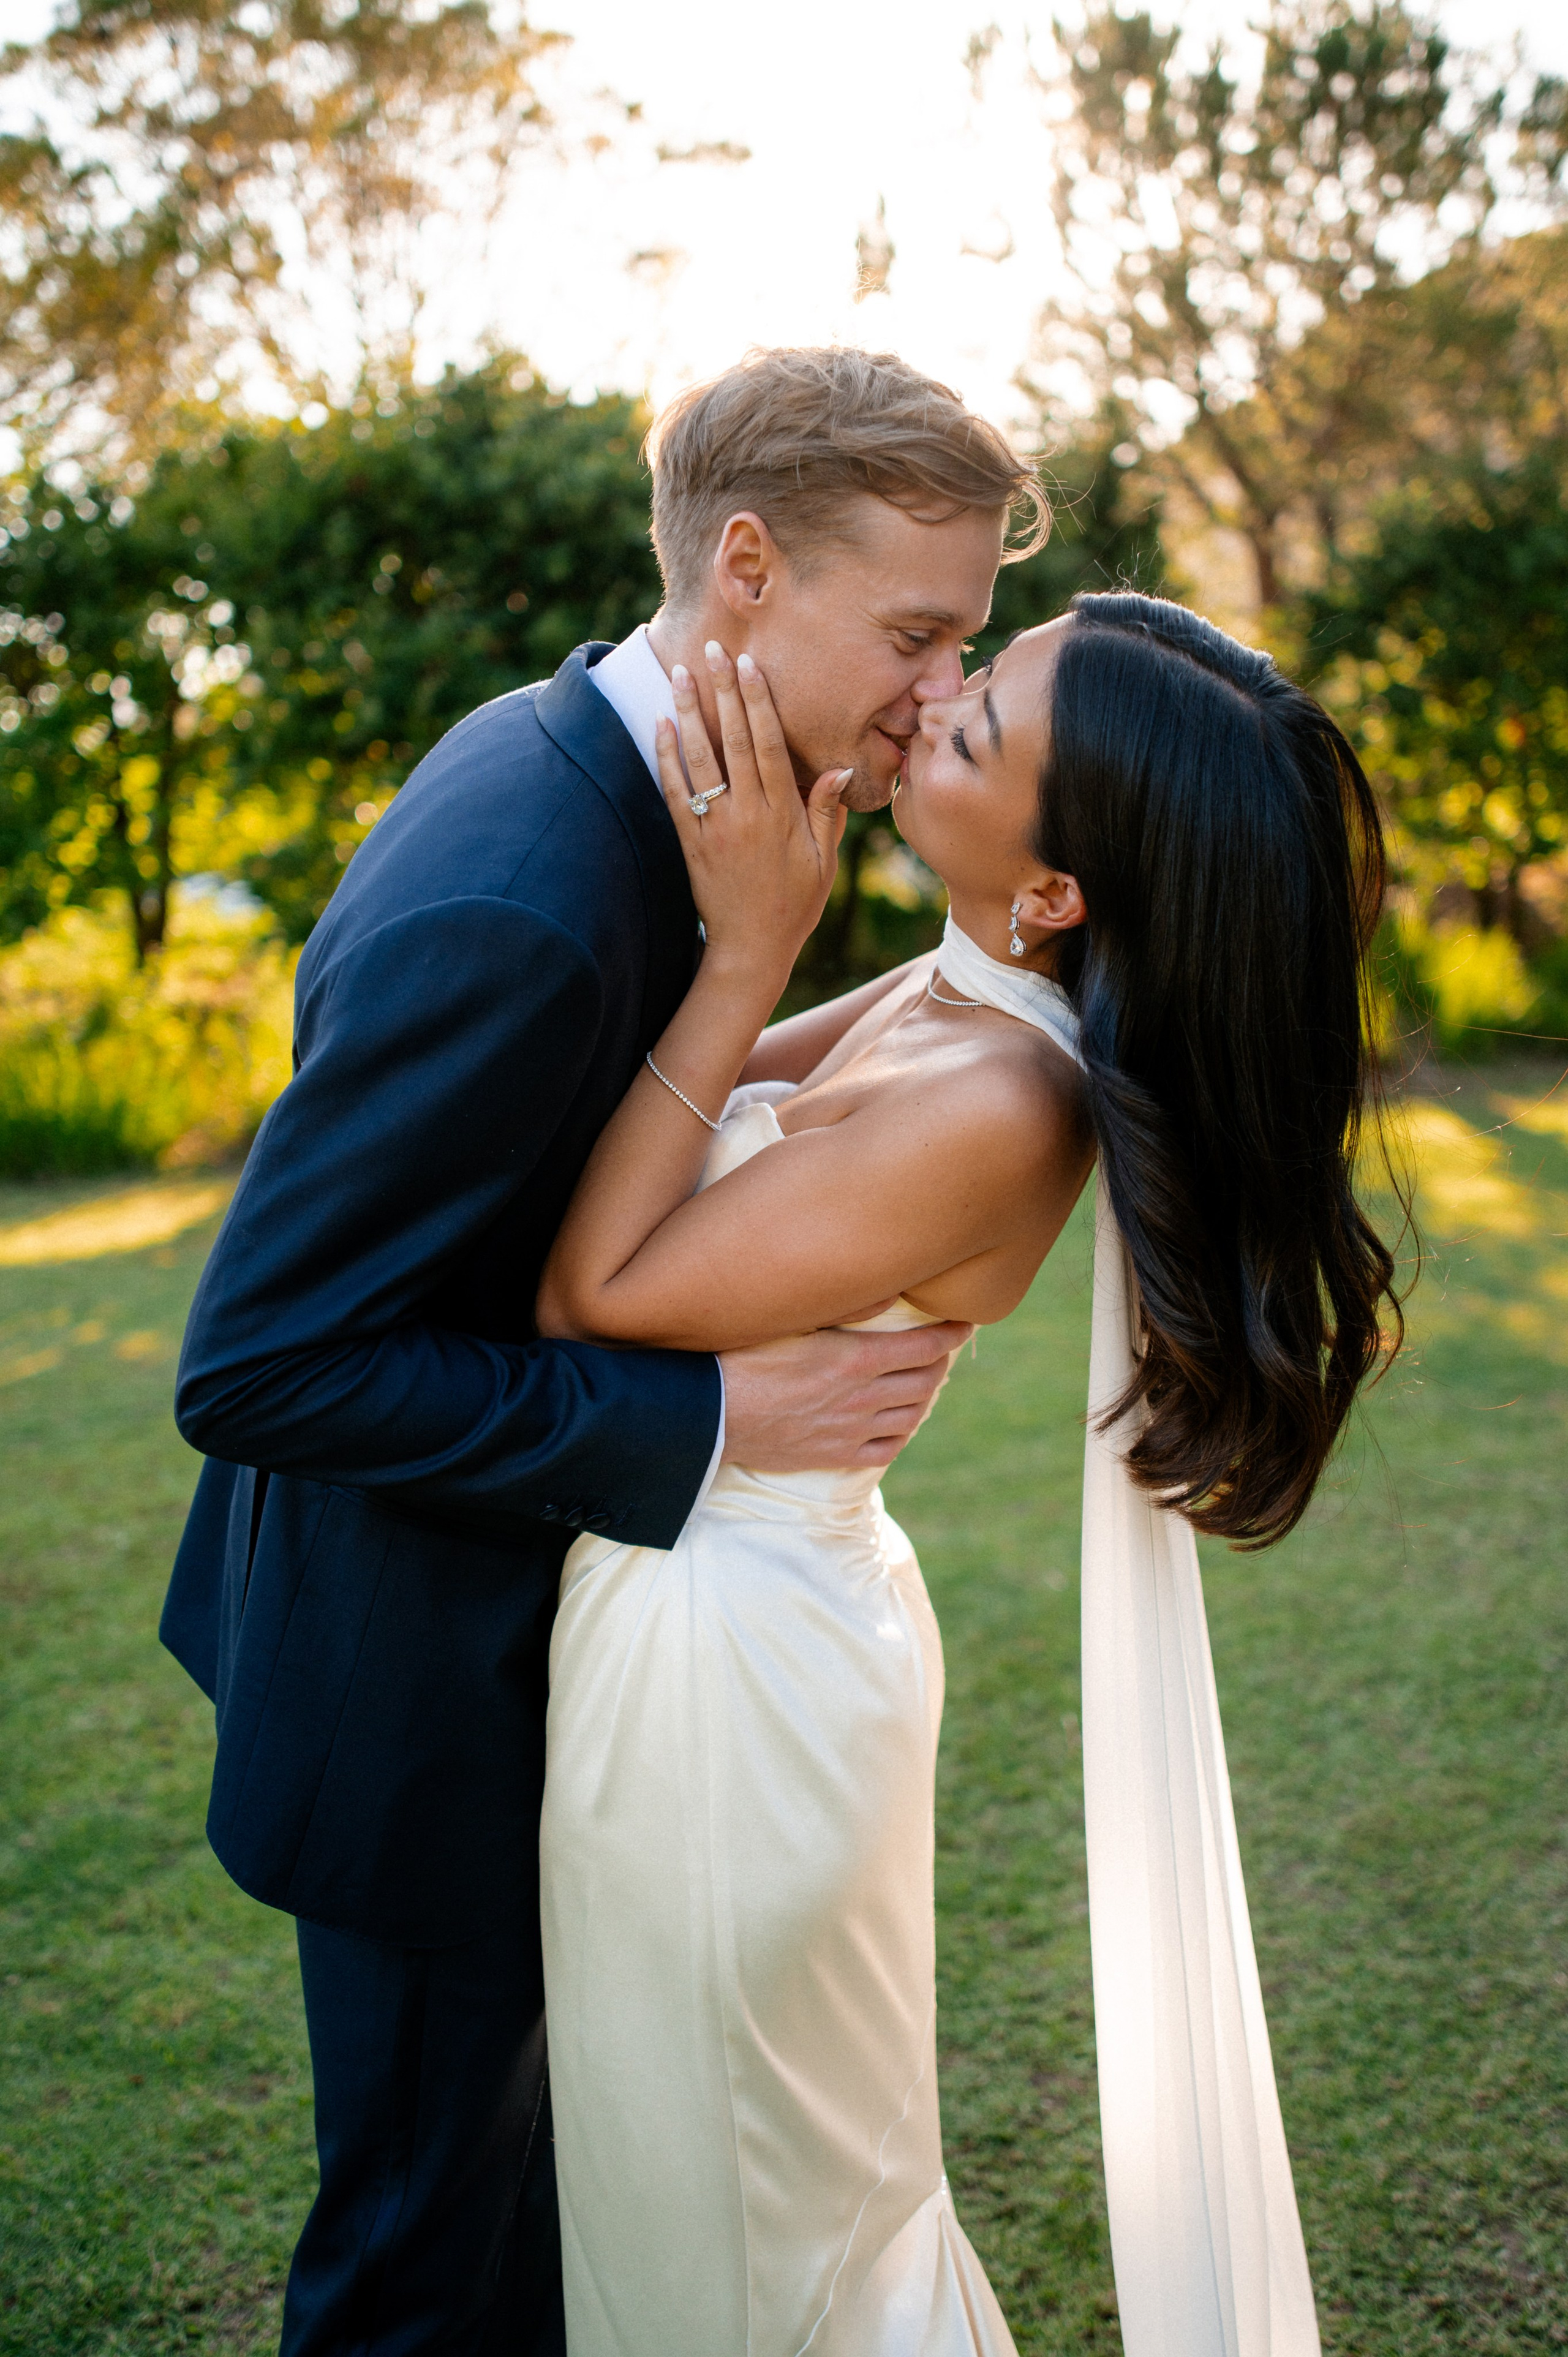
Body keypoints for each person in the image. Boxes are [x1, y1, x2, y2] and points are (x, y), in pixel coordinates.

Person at [159, 347, 1042, 2355]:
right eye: (917, 634)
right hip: (418, 1690)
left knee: (553, 2246)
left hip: (544, 1662)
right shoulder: (532, 886)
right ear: (751, 566)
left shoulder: (654, 779)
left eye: (967, 644)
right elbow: (264, 1366)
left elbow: (628, 1130)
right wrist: (704, 1413)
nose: (938, 689)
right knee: (426, 2275)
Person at [535, 594, 1403, 2355]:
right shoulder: (956, 987)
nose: (931, 699)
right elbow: (654, 1123)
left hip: (735, 1676)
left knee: (751, 2238)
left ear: (1057, 890)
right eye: (973, 671)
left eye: (980, 720)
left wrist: (747, 950)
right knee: (689, 2197)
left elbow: (595, 1286)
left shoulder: (1005, 1098)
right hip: (703, 1605)